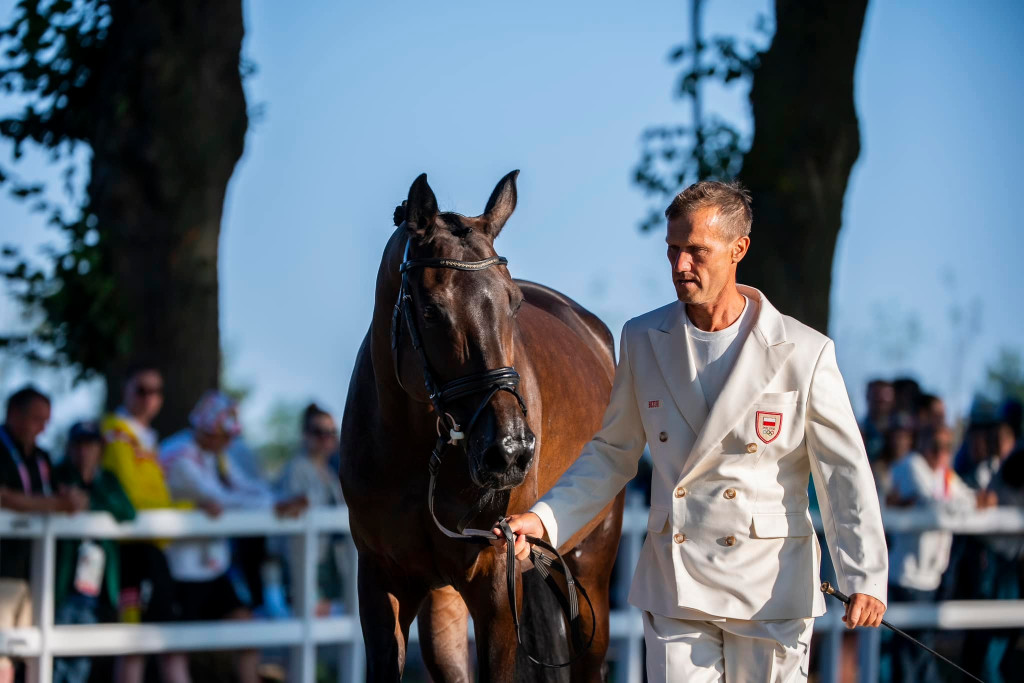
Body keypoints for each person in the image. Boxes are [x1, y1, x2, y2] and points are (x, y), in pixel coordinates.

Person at [494, 181, 888, 682]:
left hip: (770, 591)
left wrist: (864, 574)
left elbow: (843, 472)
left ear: (738, 249)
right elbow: (612, 453)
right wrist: (546, 520)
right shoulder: (642, 337)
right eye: (672, 249)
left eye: (697, 251)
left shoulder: (805, 351)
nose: (680, 265)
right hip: (676, 586)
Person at [160, 390, 307, 683]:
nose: (230, 441)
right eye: (225, 435)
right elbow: (222, 498)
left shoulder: (215, 455)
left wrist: (278, 500)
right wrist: (275, 505)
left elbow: (243, 487)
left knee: (246, 631)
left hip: (212, 569)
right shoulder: (179, 456)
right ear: (208, 431)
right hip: (178, 571)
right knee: (174, 650)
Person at [99, 365, 194, 683]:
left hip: (152, 548)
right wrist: (185, 511)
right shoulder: (116, 433)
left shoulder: (145, 439)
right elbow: (132, 497)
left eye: (156, 391)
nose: (149, 398)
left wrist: (181, 512)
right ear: (125, 390)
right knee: (133, 644)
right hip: (130, 552)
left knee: (168, 641)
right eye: (141, 389)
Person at [886, 425, 996, 682]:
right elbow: (935, 506)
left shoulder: (944, 475)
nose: (940, 452)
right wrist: (973, 503)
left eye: (946, 447)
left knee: (919, 652)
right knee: (911, 656)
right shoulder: (910, 466)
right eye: (935, 445)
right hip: (908, 577)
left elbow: (962, 497)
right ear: (922, 444)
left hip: (931, 577)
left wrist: (974, 500)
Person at [0, 386, 88, 683]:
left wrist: (71, 497)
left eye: (46, 421)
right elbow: (5, 497)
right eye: (37, 419)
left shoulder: (41, 456)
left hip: (37, 571)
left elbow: (56, 493)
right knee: (2, 653)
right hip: (4, 568)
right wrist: (55, 504)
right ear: (14, 414)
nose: (42, 428)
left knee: (30, 654)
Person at [51, 422, 136, 683]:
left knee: (81, 659)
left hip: (96, 586)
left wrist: (89, 502)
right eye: (78, 445)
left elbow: (128, 511)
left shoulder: (107, 480)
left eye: (90, 445)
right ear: (69, 447)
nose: (84, 451)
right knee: (55, 657)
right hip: (61, 583)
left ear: (100, 448)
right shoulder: (57, 475)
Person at [276, 403, 346, 615]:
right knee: (313, 617)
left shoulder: (330, 472)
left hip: (330, 560)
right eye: (319, 432)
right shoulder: (296, 468)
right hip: (306, 561)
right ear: (305, 434)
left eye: (331, 432)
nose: (326, 438)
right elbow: (289, 512)